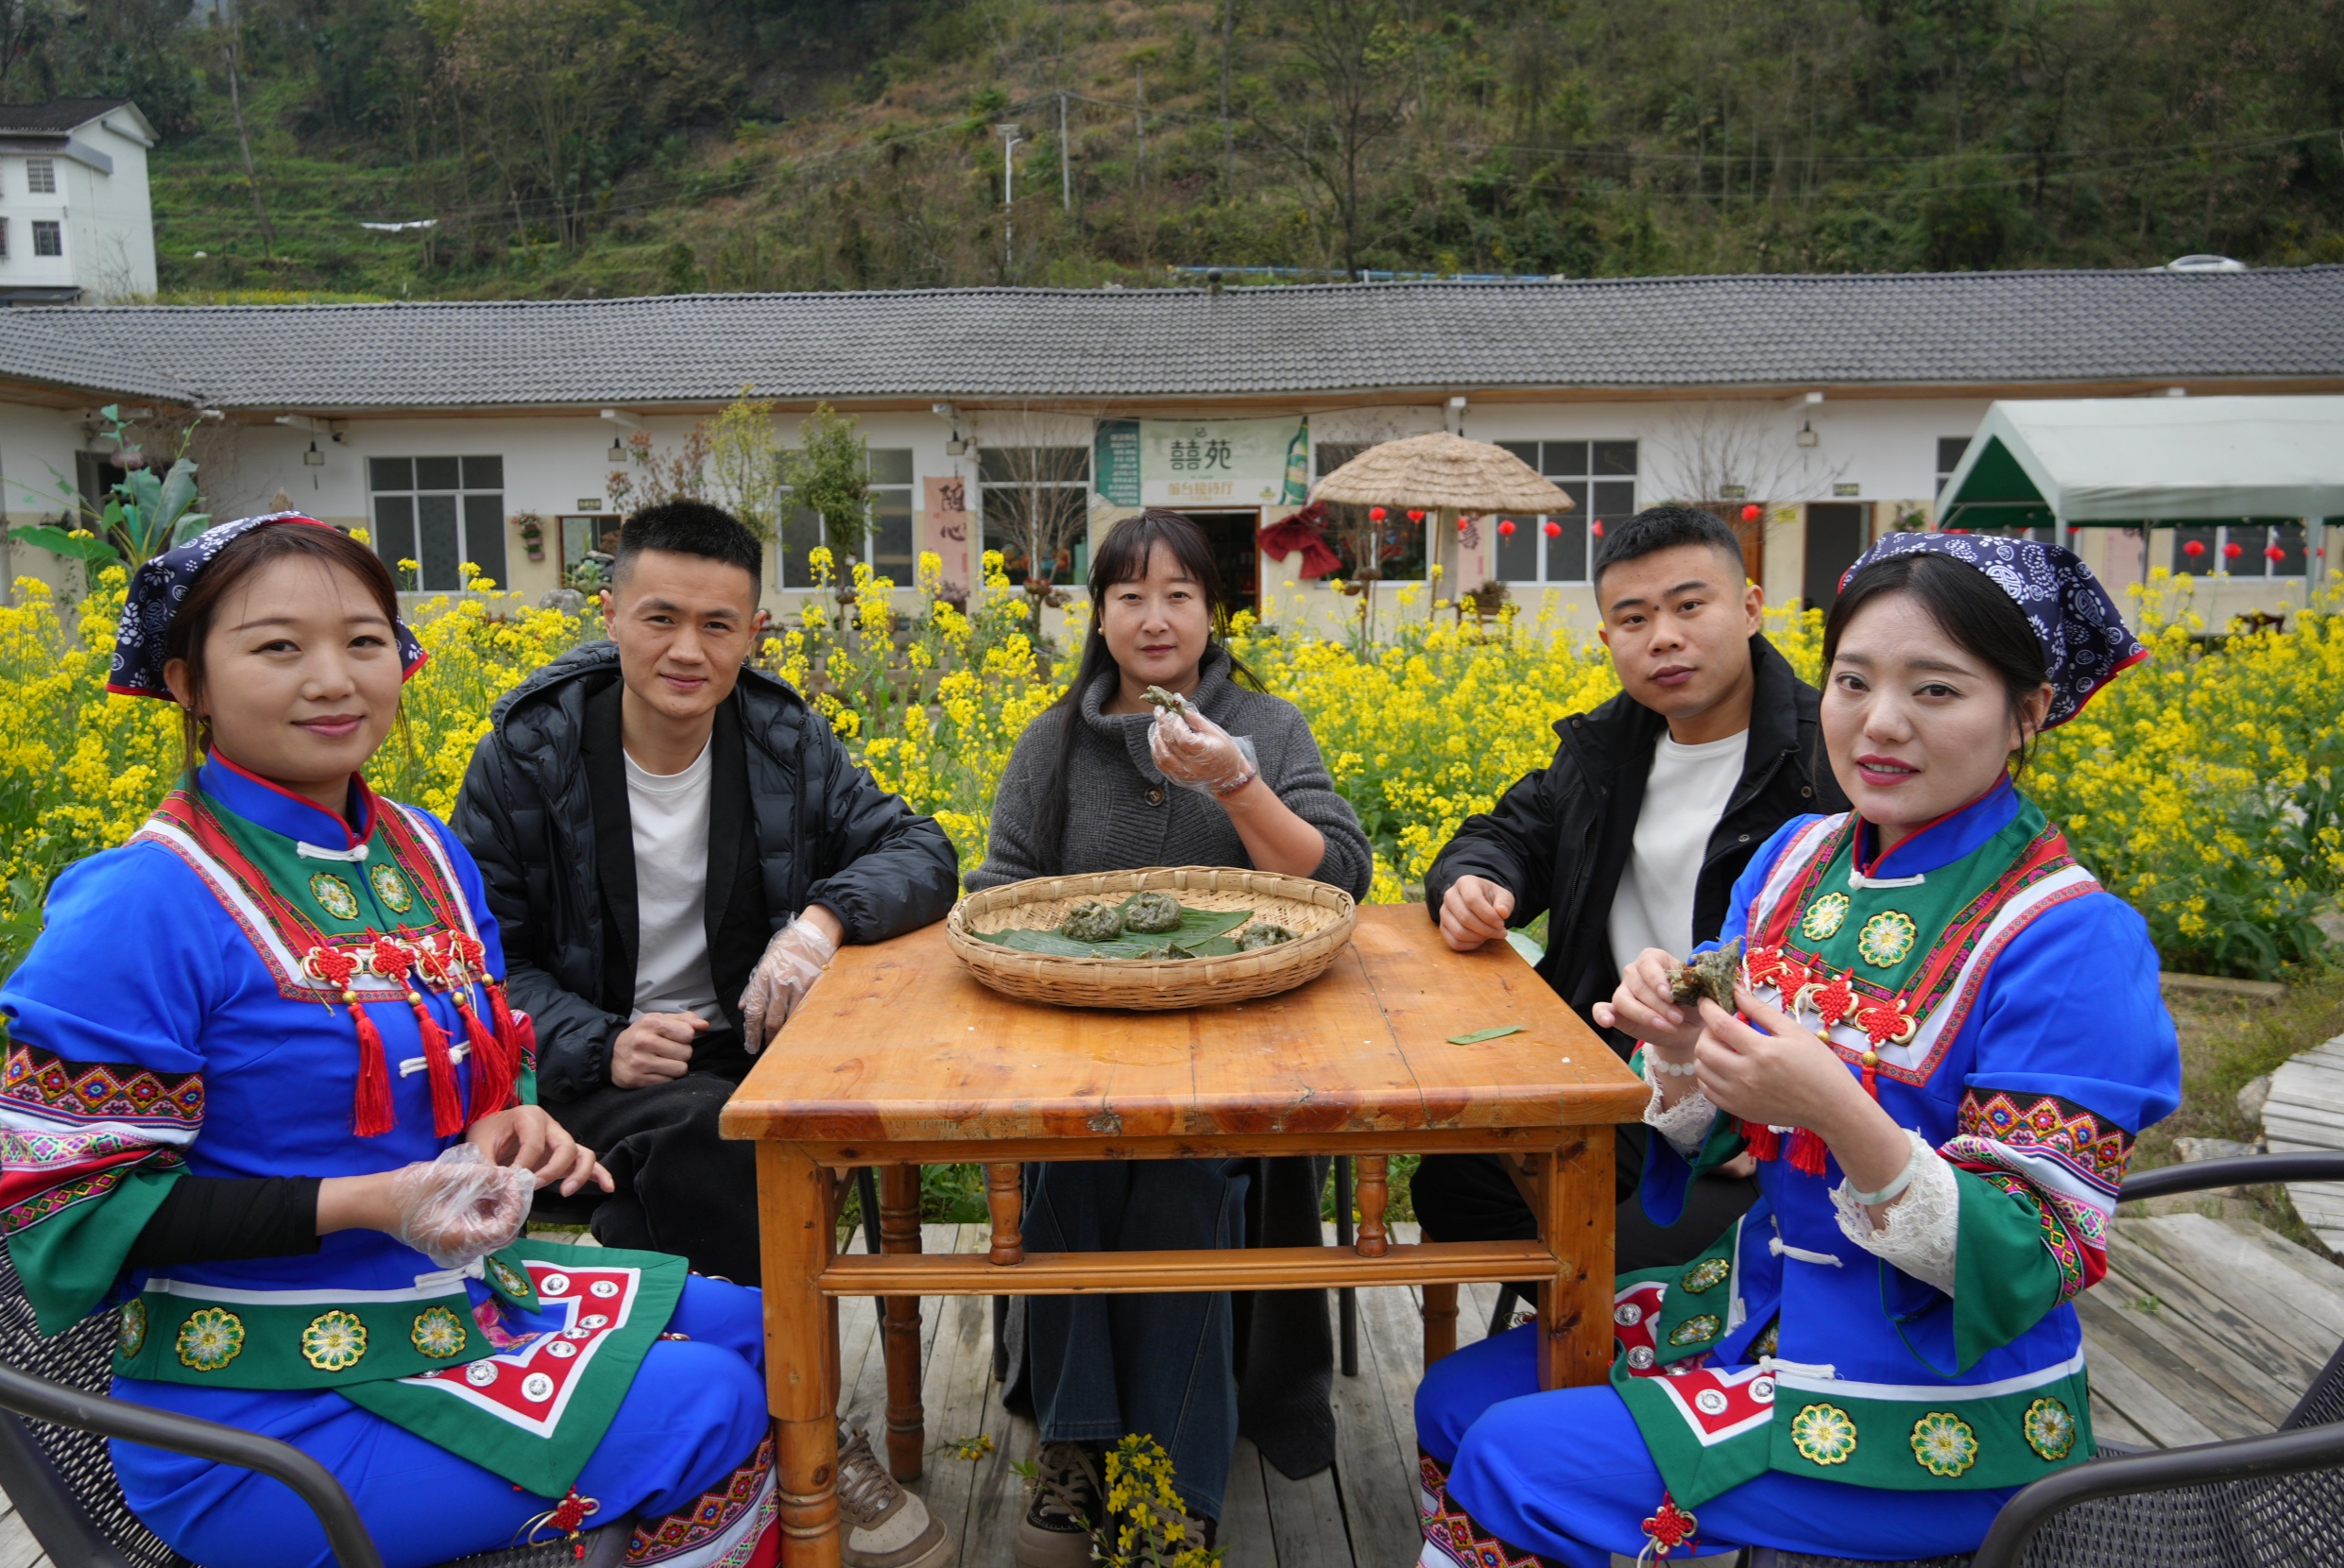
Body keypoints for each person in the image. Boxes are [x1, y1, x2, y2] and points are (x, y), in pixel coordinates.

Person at [0, 515, 778, 1568]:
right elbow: (70, 1216)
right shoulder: (141, 904)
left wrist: (511, 1115)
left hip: (449, 1309)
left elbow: (489, 1047)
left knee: (776, 1324)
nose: (334, 679)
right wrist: (377, 1201)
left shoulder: (424, 853)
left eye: (364, 641)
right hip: (262, 1413)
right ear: (188, 680)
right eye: (278, 647)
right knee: (708, 1402)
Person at [1412, 531, 2180, 1565]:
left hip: (1931, 1401)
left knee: (1520, 1457)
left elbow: (2034, 1255)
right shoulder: (1795, 860)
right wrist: (1680, 1047)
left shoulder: (2069, 937)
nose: (1879, 723)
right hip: (1759, 1306)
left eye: (1937, 691)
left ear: (2027, 712)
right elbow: (1710, 1120)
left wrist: (1832, 1107)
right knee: (1454, 1395)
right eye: (1853, 680)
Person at [453, 500, 958, 1568]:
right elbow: (479, 952)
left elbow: (920, 847)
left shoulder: (782, 738)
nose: (690, 649)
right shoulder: (528, 753)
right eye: (661, 617)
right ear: (611, 615)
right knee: (713, 1139)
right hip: (576, 1068)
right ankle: (806, 1429)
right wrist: (595, 1037)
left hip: (735, 1054)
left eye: (720, 625)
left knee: (696, 1144)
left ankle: (723, 1425)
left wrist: (821, 922)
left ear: (755, 632)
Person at [970, 509, 1373, 1568]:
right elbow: (999, 890)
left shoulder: (1267, 725)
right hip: (1075, 1061)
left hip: (1235, 1065)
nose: (1154, 618)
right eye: (1129, 596)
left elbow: (1335, 877)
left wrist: (1232, 779)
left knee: (1185, 1182)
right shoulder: (1052, 743)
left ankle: (1171, 1483)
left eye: (1178, 595)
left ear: (1213, 613)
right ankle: (1076, 1449)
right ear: (1096, 616)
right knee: (1069, 1176)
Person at [1419, 504, 1848, 1276]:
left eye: (1690, 605)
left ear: (1750, 608)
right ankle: (1567, 1359)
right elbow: (1509, 833)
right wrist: (1474, 881)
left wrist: (1752, 1111)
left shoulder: (1830, 758)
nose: (1664, 637)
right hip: (1617, 1073)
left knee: (1623, 1259)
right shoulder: (1607, 750)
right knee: (1455, 1188)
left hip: (1772, 1102)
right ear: (1607, 639)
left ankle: (1625, 1357)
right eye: (1634, 617)